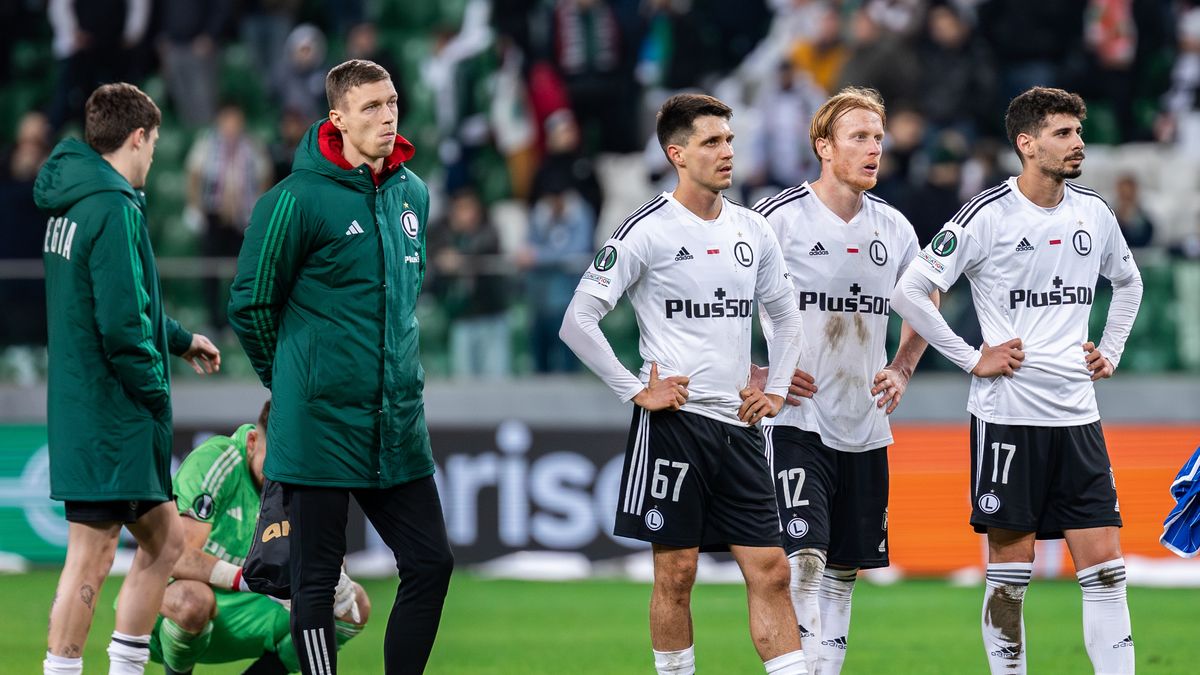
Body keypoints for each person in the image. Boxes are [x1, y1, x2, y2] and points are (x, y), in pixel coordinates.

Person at [891, 86, 1143, 675]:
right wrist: (970, 356)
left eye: (1078, 132)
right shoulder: (987, 214)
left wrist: (1110, 350)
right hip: (1009, 415)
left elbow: (1128, 284)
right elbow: (911, 288)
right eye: (1063, 133)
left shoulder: (1094, 212)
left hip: (1078, 414)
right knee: (1011, 571)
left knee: (1106, 568)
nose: (1077, 143)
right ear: (1027, 144)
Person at [559, 93, 808, 675]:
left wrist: (772, 388)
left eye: (729, 140)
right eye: (711, 142)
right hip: (675, 426)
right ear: (677, 153)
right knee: (677, 573)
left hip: (741, 425)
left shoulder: (753, 228)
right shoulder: (647, 229)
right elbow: (579, 321)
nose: (727, 153)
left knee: (772, 567)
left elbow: (784, 314)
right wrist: (632, 388)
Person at [228, 59, 454, 675]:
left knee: (431, 562)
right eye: (370, 108)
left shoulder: (414, 193)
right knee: (317, 580)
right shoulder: (295, 199)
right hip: (319, 421)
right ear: (337, 118)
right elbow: (249, 302)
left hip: (396, 422)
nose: (387, 116)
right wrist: (294, 381)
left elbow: (402, 300)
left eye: (392, 103)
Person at [33, 82, 221, 675]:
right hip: (113, 413)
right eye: (155, 142)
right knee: (92, 555)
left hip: (83, 405)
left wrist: (180, 339)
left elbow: (124, 304)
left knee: (163, 544)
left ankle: (123, 669)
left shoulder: (70, 203)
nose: (154, 156)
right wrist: (156, 389)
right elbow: (119, 325)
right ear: (138, 136)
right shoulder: (113, 207)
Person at [749, 86, 934, 675]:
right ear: (823, 147)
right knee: (802, 558)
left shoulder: (896, 229)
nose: (874, 149)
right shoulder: (778, 220)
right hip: (798, 419)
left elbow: (926, 300)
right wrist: (751, 371)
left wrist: (903, 365)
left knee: (844, 571)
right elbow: (719, 291)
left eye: (878, 138)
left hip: (866, 420)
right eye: (859, 137)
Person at [149, 400, 370, 674]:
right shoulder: (217, 461)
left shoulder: (304, 477)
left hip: (255, 606)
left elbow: (326, 554)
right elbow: (177, 557)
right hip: (179, 603)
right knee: (192, 601)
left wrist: (334, 579)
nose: (282, 476)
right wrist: (249, 580)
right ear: (252, 441)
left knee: (354, 606)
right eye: (275, 460)